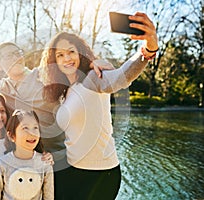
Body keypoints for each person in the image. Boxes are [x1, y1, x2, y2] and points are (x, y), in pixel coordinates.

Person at [39, 12, 159, 200]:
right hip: (71, 170)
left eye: (71, 51)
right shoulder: (64, 93)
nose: (67, 58)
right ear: (55, 62)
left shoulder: (93, 78)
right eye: (60, 55)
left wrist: (148, 49)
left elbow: (122, 76)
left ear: (80, 52)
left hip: (101, 174)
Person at [0, 109, 54, 200]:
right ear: (12, 136)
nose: (32, 133)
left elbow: (49, 196)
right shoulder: (3, 163)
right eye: (25, 128)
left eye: (35, 128)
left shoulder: (44, 163)